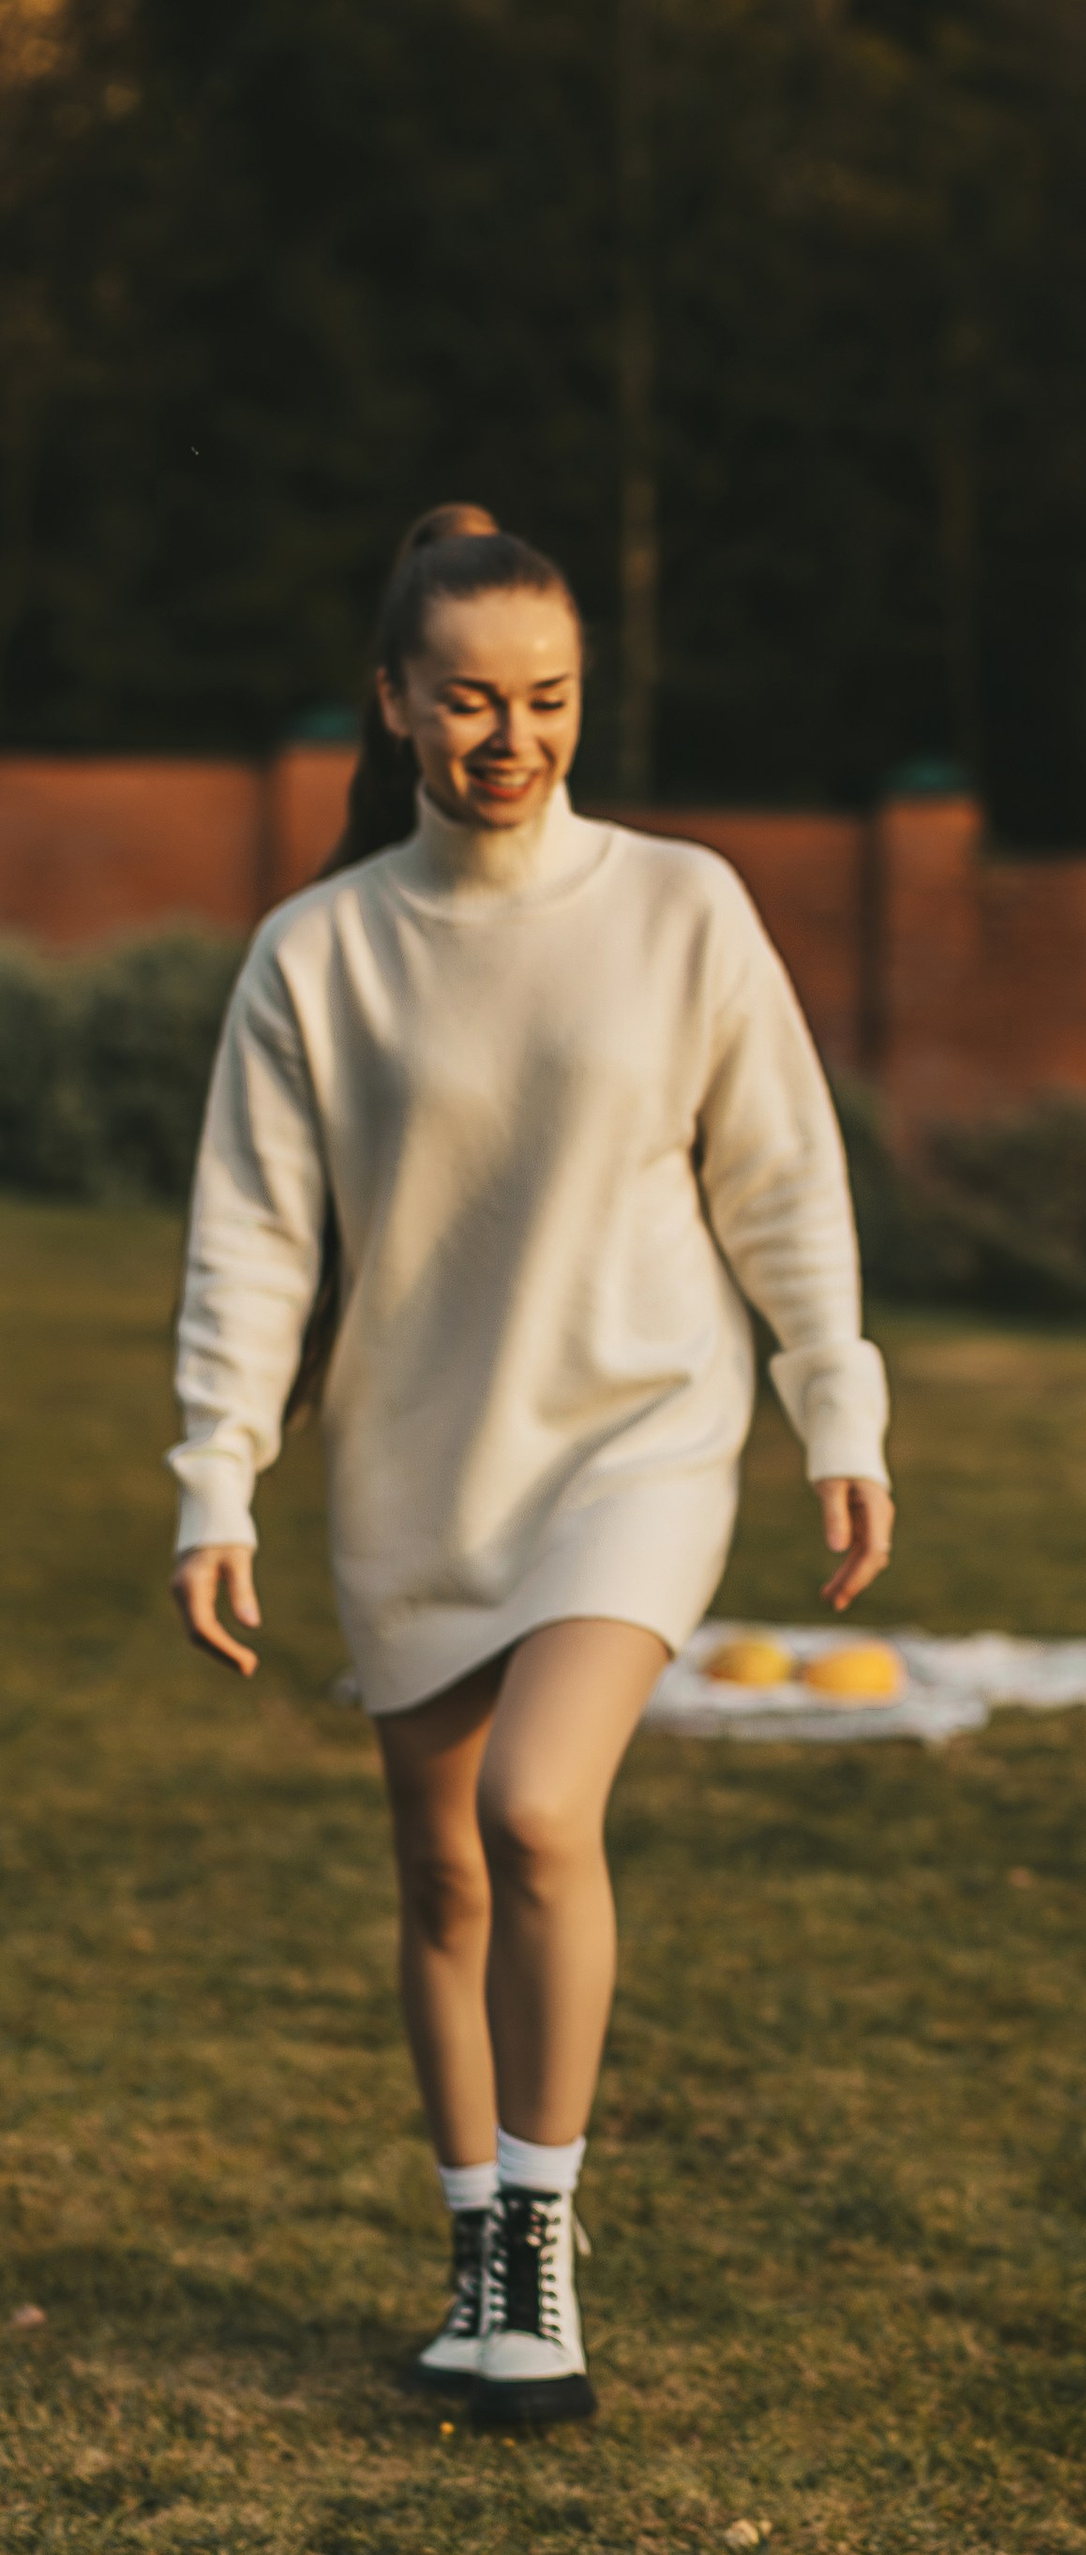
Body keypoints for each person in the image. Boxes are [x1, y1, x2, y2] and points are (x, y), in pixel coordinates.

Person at [167, 509, 893, 2427]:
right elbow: (254, 1244)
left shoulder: (679, 907)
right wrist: (216, 1475)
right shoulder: (318, 953)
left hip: (641, 1430)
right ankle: (472, 2240)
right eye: (473, 700)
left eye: (550, 698)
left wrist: (836, 1410)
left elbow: (782, 1175)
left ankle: (540, 2254)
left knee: (535, 1809)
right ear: (397, 703)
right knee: (439, 1876)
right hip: (415, 1464)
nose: (514, 736)